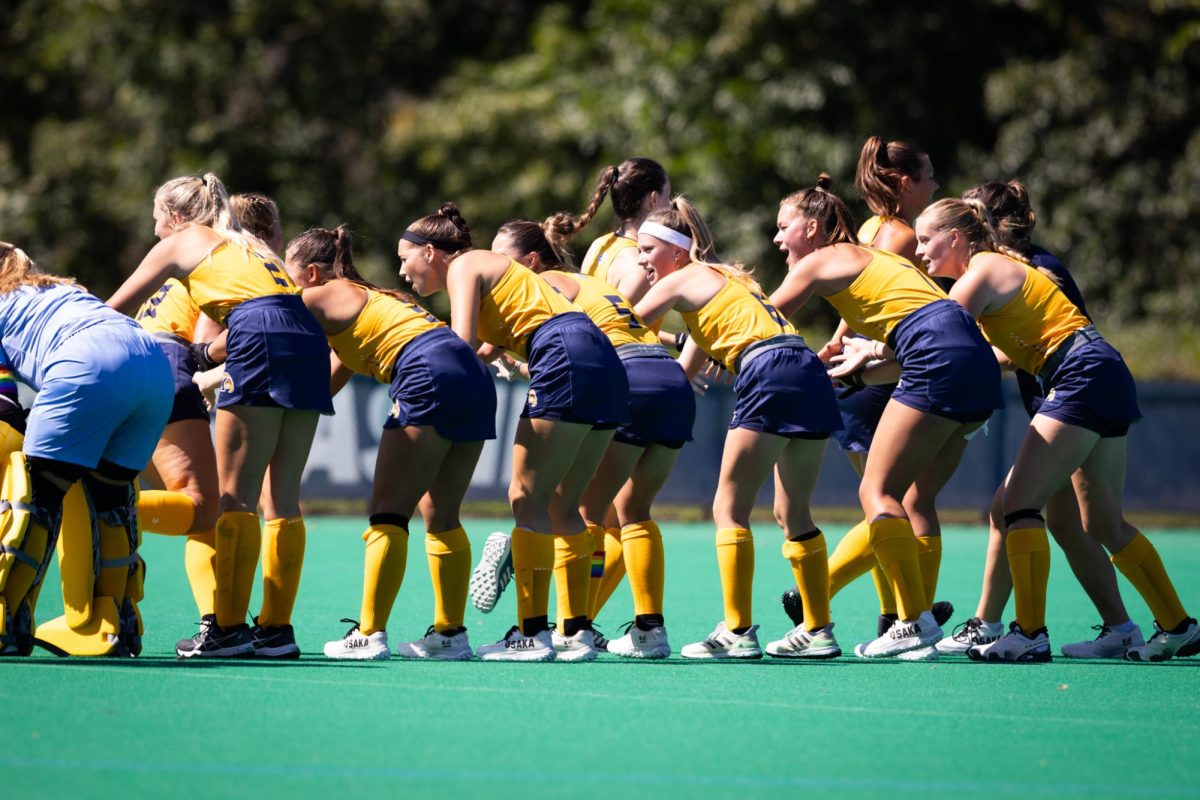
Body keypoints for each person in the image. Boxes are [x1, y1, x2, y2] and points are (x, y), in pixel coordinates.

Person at [911, 197, 1197, 662]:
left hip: (1079, 375)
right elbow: (987, 353)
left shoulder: (980, 270)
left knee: (1017, 503)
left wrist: (869, 354)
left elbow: (933, 333)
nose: (920, 251)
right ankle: (1177, 625)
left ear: (956, 238)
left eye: (926, 239)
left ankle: (1028, 632)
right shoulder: (996, 268)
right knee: (1101, 521)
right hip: (1102, 370)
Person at [770, 176, 1004, 658]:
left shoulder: (819, 260)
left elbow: (761, 321)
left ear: (812, 229)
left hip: (936, 356)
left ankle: (913, 621)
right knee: (912, 498)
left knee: (875, 492)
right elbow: (928, 338)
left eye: (783, 227)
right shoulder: (880, 260)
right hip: (975, 363)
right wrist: (856, 378)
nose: (776, 239)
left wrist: (697, 324)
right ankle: (908, 622)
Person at [108, 173, 332, 659]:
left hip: (257, 331)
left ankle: (227, 629)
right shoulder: (249, 244)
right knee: (284, 500)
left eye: (155, 222)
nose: (155, 234)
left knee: (234, 497)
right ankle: (276, 632)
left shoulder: (184, 241)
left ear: (174, 216)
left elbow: (114, 310)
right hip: (305, 334)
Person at [397, 203, 629, 662]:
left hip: (562, 350)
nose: (402, 271)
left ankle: (531, 634)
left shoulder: (464, 264)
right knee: (565, 505)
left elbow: (459, 346)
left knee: (526, 498)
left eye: (404, 258)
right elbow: (483, 349)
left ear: (429, 251)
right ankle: (575, 633)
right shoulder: (499, 277)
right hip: (604, 360)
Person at [633, 197, 844, 660]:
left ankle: (738, 631)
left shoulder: (683, 278)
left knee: (728, 509)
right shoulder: (726, 278)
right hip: (803, 365)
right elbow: (686, 367)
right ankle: (818, 629)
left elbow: (624, 324)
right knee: (794, 514)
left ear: (676, 250)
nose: (642, 260)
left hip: (767, 369)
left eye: (647, 250)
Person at [279, 225, 495, 660]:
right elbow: (321, 389)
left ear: (313, 274)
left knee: (388, 511)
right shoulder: (370, 306)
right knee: (441, 512)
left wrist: (205, 362)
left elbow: (262, 320)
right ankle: (450, 635)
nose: (285, 285)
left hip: (426, 368)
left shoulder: (323, 293)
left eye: (288, 275)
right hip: (472, 375)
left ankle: (369, 633)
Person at [492, 215, 695, 659]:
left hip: (628, 377)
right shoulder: (588, 282)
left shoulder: (548, 284)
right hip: (668, 378)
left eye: (504, 261)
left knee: (577, 508)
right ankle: (649, 629)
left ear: (530, 261)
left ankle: (572, 625)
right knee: (633, 511)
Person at [784, 138, 951, 637]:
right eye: (928, 177)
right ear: (905, 183)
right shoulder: (899, 235)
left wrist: (835, 345)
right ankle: (893, 608)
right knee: (902, 500)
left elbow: (857, 306)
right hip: (884, 375)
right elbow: (885, 311)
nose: (936, 186)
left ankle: (897, 612)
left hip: (868, 370)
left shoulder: (870, 228)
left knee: (887, 498)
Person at [0, 244, 172, 657]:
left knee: (35, 496)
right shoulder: (57, 291)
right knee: (110, 501)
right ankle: (113, 621)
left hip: (87, 362)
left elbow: (4, 403)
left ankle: (6, 619)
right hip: (151, 364)